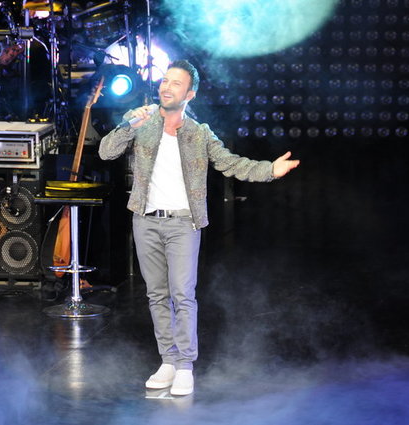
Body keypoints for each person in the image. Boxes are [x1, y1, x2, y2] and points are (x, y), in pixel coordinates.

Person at [98, 60, 299, 395]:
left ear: (189, 94)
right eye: (165, 81)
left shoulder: (199, 133)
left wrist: (269, 170)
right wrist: (130, 125)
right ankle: (167, 360)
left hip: (183, 223)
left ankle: (185, 366)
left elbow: (231, 163)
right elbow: (106, 152)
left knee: (182, 295)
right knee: (156, 295)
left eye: (175, 83)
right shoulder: (141, 120)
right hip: (145, 220)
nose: (166, 87)